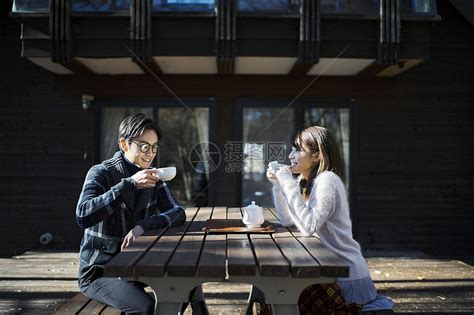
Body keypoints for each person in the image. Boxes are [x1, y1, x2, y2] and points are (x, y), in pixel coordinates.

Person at [76, 113, 208, 314]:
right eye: (144, 146)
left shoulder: (154, 177)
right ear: (124, 144)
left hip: (137, 266)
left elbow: (177, 212)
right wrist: (128, 185)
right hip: (101, 273)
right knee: (145, 308)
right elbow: (83, 215)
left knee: (187, 281)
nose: (150, 153)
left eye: (154, 147)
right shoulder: (101, 173)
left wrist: (143, 226)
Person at [262, 126, 394, 314]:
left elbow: (308, 226)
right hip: (323, 269)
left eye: (298, 149)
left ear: (317, 156)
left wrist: (287, 182)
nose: (291, 155)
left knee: (280, 296)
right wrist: (278, 185)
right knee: (276, 294)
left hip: (346, 279)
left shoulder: (327, 180)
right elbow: (288, 220)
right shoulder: (305, 181)